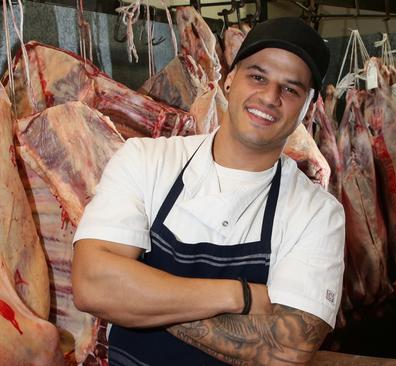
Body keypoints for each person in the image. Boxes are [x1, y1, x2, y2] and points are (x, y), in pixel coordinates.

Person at [72, 16, 345, 366]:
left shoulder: (318, 214)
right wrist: (242, 296)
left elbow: (288, 349)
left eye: (291, 89)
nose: (270, 96)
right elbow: (92, 284)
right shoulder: (146, 160)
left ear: (308, 107)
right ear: (229, 80)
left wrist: (137, 297)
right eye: (257, 76)